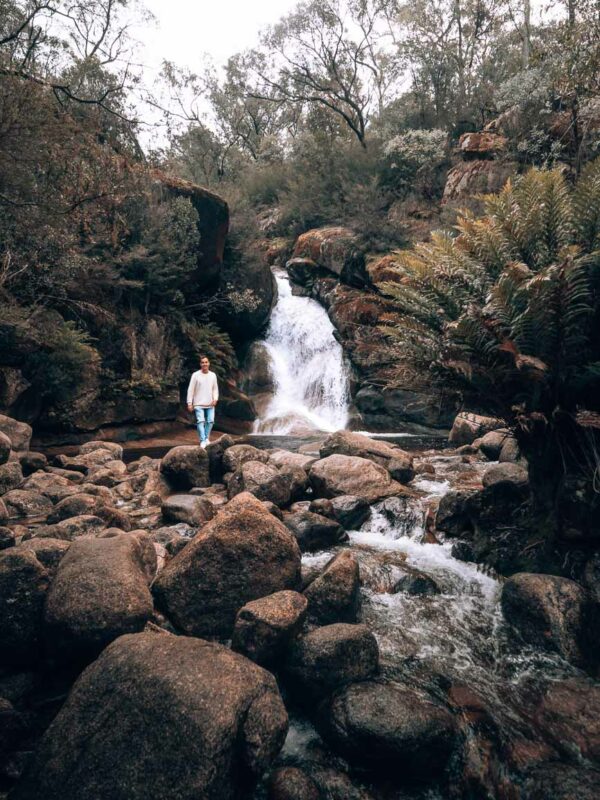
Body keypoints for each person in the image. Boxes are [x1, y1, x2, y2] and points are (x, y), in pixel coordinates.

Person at [186, 355, 219, 449]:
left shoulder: (213, 375)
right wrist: (189, 403)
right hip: (198, 403)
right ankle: (202, 440)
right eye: (202, 362)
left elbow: (215, 389)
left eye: (206, 362)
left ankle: (206, 438)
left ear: (209, 363)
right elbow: (190, 390)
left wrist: (215, 399)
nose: (204, 364)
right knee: (200, 421)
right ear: (200, 364)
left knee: (211, 421)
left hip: (210, 403)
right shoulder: (195, 375)